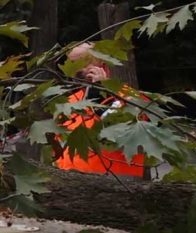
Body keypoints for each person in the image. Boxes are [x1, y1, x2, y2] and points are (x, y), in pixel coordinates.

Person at [56, 43, 146, 177]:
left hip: (116, 181)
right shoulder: (68, 103)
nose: (78, 69)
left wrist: (103, 98)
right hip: (72, 183)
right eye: (73, 62)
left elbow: (127, 132)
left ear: (102, 64)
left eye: (84, 62)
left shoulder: (127, 96)